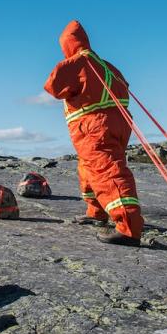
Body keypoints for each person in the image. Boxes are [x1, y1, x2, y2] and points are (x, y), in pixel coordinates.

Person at [43, 20, 144, 246]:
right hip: (117, 122)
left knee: (106, 170)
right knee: (88, 168)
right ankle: (96, 212)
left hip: (94, 126)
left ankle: (129, 227)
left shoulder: (78, 62)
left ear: (68, 45)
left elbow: (53, 86)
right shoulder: (109, 66)